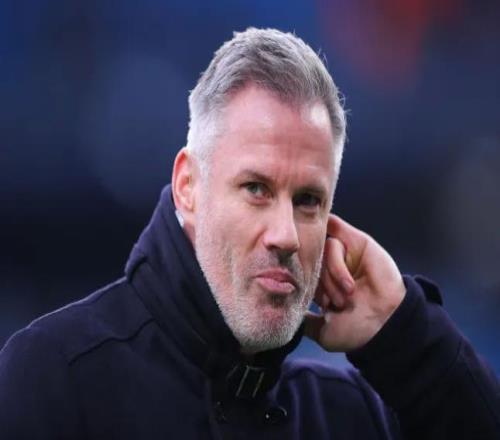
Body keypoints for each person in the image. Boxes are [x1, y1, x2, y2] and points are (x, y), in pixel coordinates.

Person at [0, 27, 499, 439]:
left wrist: (408, 337)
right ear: (188, 187)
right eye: (256, 189)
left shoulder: (351, 416)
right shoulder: (54, 379)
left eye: (308, 201)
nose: (286, 235)